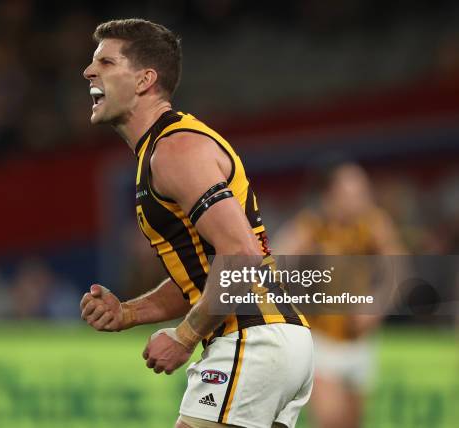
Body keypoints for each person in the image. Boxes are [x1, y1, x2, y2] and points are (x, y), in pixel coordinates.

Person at [79, 19, 312, 428]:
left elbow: (241, 254)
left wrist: (183, 338)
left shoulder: (175, 150)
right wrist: (129, 313)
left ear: (144, 80)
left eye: (106, 62)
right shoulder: (165, 149)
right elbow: (206, 274)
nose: (89, 71)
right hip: (273, 338)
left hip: (250, 338)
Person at [274, 162, 407, 428]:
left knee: (351, 423)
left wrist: (375, 306)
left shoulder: (373, 224)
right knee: (331, 420)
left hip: (360, 343)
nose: (362, 200)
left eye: (364, 192)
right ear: (330, 195)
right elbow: (274, 267)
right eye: (353, 193)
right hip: (322, 342)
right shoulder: (311, 227)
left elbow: (398, 269)